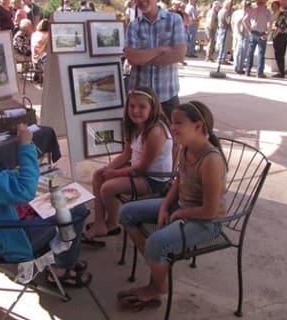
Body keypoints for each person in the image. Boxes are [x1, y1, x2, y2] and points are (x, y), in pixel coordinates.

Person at [0, 102, 92, 287]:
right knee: (77, 210)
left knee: (55, 201)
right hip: (6, 240)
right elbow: (25, 192)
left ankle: (64, 260)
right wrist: (26, 146)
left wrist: (11, 175)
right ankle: (62, 269)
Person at [117, 101, 227, 311]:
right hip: (181, 206)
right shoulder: (187, 147)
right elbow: (178, 180)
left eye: (178, 123)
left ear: (198, 126)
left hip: (205, 222)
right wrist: (165, 206)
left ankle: (156, 285)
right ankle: (158, 268)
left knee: (156, 242)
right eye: (171, 122)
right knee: (126, 213)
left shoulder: (211, 160)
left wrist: (180, 214)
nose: (173, 127)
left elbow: (210, 211)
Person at [83, 88, 173, 242]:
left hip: (154, 180)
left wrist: (115, 174)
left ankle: (112, 224)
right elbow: (127, 154)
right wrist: (109, 169)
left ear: (152, 108)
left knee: (108, 188)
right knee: (99, 175)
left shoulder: (155, 132)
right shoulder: (133, 125)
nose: (135, 111)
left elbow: (143, 168)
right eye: (132, 106)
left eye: (142, 107)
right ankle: (99, 223)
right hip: (138, 171)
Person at [124, 0, 187, 119]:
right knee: (139, 137)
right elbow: (132, 59)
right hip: (139, 99)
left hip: (167, 97)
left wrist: (142, 58)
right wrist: (161, 50)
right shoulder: (133, 26)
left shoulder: (174, 20)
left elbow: (179, 55)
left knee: (168, 136)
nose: (141, 1)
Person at [243, 0, 272, 78]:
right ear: (264, 3)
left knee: (250, 52)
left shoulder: (252, 10)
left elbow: (244, 21)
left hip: (253, 33)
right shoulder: (267, 12)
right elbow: (270, 24)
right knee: (261, 53)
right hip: (262, 33)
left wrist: (249, 31)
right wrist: (267, 34)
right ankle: (259, 72)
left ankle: (247, 70)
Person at [272, 0, 287, 78]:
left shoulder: (283, 13)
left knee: (278, 54)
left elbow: (279, 26)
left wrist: (274, 35)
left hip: (281, 34)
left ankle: (281, 72)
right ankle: (282, 71)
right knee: (282, 53)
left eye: (281, 3)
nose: (280, 5)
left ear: (285, 3)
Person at [232, 0, 251, 75]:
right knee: (242, 51)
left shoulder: (236, 12)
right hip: (243, 33)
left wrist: (235, 31)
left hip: (237, 33)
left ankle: (236, 66)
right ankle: (239, 67)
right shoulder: (245, 13)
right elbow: (238, 22)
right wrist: (240, 31)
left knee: (237, 49)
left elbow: (232, 22)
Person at [216, 0, 232, 65]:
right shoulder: (226, 12)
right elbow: (228, 21)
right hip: (225, 29)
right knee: (224, 44)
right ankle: (222, 58)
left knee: (222, 44)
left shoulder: (220, 11)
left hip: (220, 28)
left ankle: (221, 57)